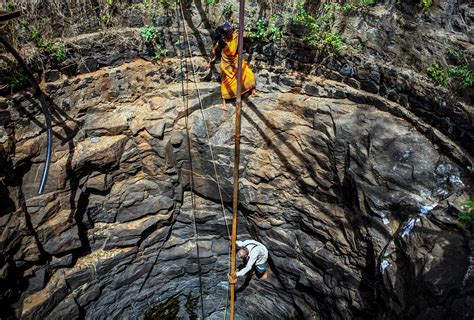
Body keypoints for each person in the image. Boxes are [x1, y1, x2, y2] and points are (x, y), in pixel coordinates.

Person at [209, 21, 257, 107]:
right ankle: (224, 101)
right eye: (229, 33)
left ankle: (253, 91)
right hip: (226, 62)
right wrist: (210, 59)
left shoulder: (235, 36)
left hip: (236, 59)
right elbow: (213, 50)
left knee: (247, 72)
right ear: (225, 35)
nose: (231, 33)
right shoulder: (221, 41)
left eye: (231, 32)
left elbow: (244, 36)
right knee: (227, 81)